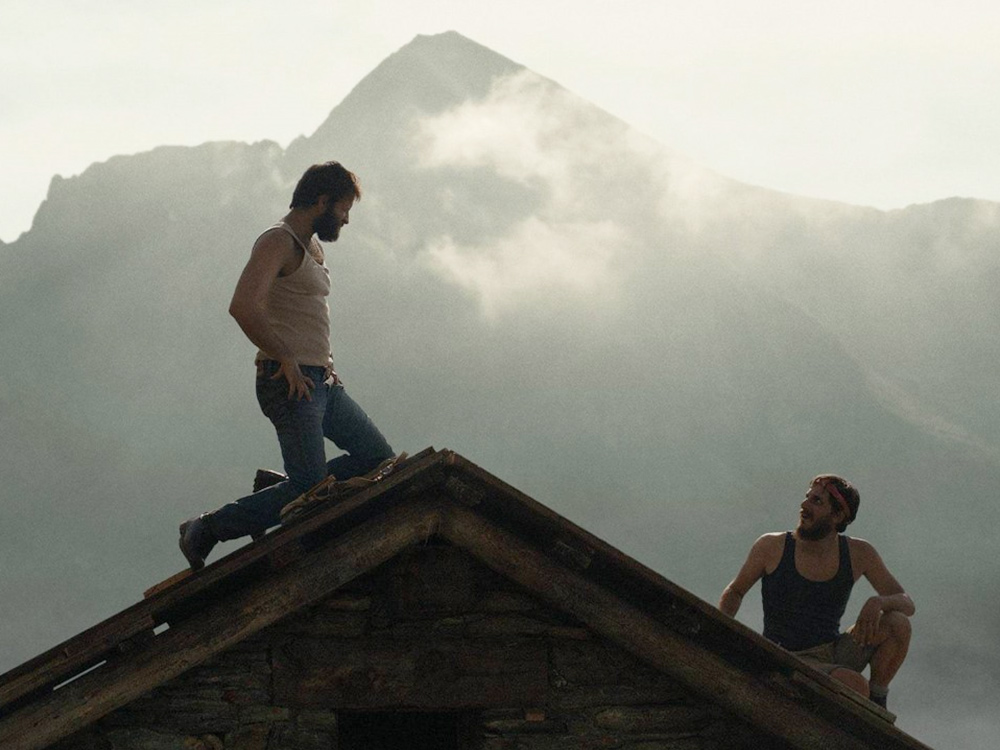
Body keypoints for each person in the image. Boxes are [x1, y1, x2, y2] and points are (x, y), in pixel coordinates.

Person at [178, 161, 396, 570]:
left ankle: (283, 487)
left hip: (322, 383)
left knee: (377, 459)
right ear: (322, 200)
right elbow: (243, 306)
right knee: (310, 491)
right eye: (344, 209)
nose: (347, 219)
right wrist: (287, 358)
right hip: (288, 382)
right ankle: (206, 528)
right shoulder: (277, 242)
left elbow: (301, 314)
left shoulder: (311, 245)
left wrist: (323, 364)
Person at [718, 475, 914, 710]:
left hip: (832, 651)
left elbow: (907, 604)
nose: (805, 505)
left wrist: (879, 602)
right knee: (853, 685)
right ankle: (859, 700)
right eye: (807, 498)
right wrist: (720, 633)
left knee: (898, 623)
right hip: (786, 655)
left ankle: (877, 702)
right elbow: (736, 591)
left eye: (817, 502)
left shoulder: (859, 553)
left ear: (838, 515)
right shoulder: (772, 546)